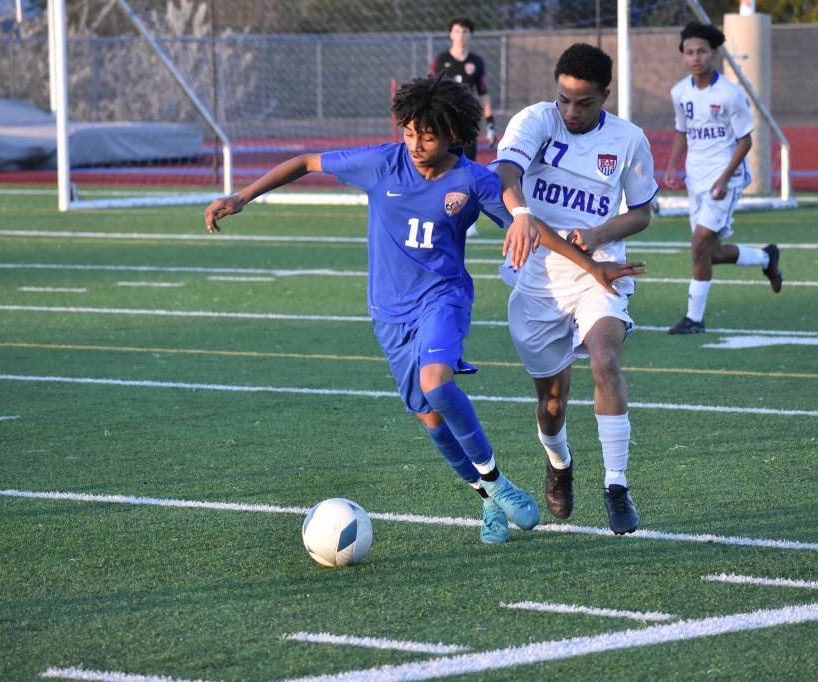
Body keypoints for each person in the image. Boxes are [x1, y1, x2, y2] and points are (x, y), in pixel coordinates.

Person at [205, 75, 638, 544]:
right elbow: (307, 162)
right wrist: (241, 196)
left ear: (453, 132)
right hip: (389, 313)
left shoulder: (472, 180)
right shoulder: (382, 163)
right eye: (408, 132)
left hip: (443, 299)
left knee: (437, 383)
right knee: (429, 418)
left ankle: (499, 484)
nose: (414, 144)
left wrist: (591, 266)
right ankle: (488, 496)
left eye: (426, 135)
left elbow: (534, 230)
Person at [491, 43, 658, 535]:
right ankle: (559, 463)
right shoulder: (536, 120)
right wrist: (522, 213)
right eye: (563, 99)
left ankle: (617, 486)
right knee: (552, 402)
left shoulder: (629, 140)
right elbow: (506, 172)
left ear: (605, 95)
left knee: (606, 359)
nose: (571, 112)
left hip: (600, 271)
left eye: (583, 103)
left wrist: (601, 235)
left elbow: (643, 212)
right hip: (538, 275)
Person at [664, 21, 782, 335]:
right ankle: (765, 258)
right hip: (696, 179)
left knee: (698, 245)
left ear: (714, 54)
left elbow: (745, 140)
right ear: (683, 56)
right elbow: (681, 131)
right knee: (710, 253)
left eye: (702, 51)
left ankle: (694, 319)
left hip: (724, 180)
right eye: (689, 52)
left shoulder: (730, 94)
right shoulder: (679, 92)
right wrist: (673, 166)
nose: (695, 58)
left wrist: (723, 178)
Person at [430, 16, 496, 238]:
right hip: (443, 126)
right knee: (440, 169)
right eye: (457, 31)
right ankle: (438, 215)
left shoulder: (476, 62)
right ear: (451, 34)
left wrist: (491, 124)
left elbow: (484, 93)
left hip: (467, 125)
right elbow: (431, 89)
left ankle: (467, 221)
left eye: (465, 31)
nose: (461, 35)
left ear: (470, 35)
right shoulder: (441, 60)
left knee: (467, 171)